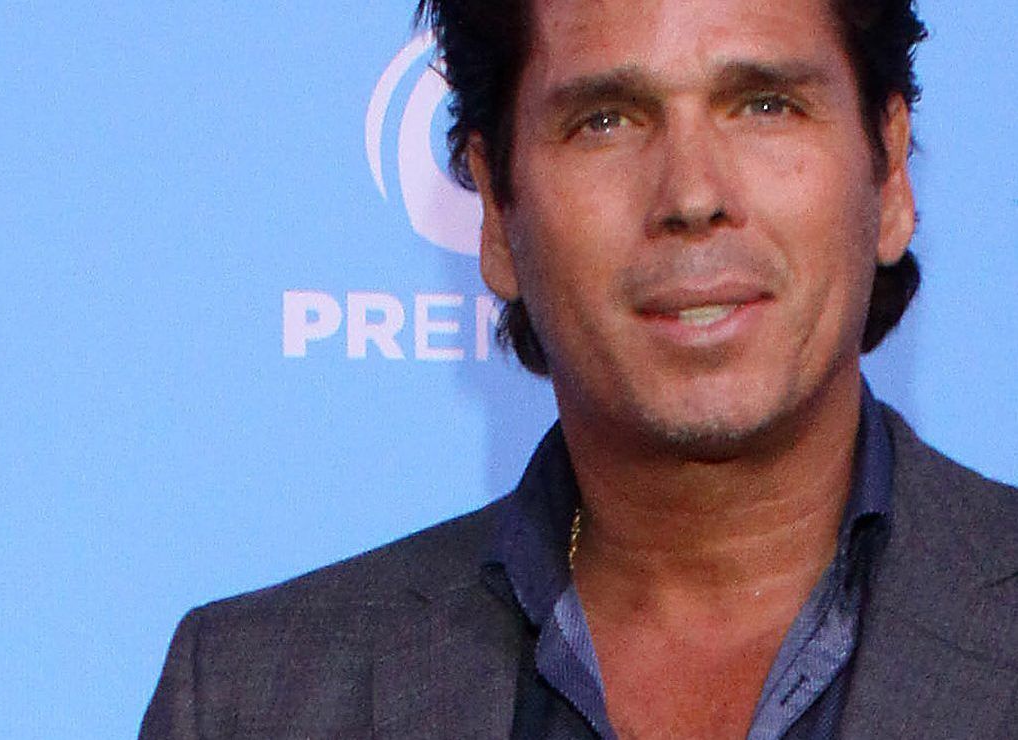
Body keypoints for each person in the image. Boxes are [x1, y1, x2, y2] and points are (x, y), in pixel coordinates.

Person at [141, 0, 1018, 736]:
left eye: (765, 105)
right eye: (606, 120)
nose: (692, 195)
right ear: (496, 211)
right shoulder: (250, 700)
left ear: (889, 173)